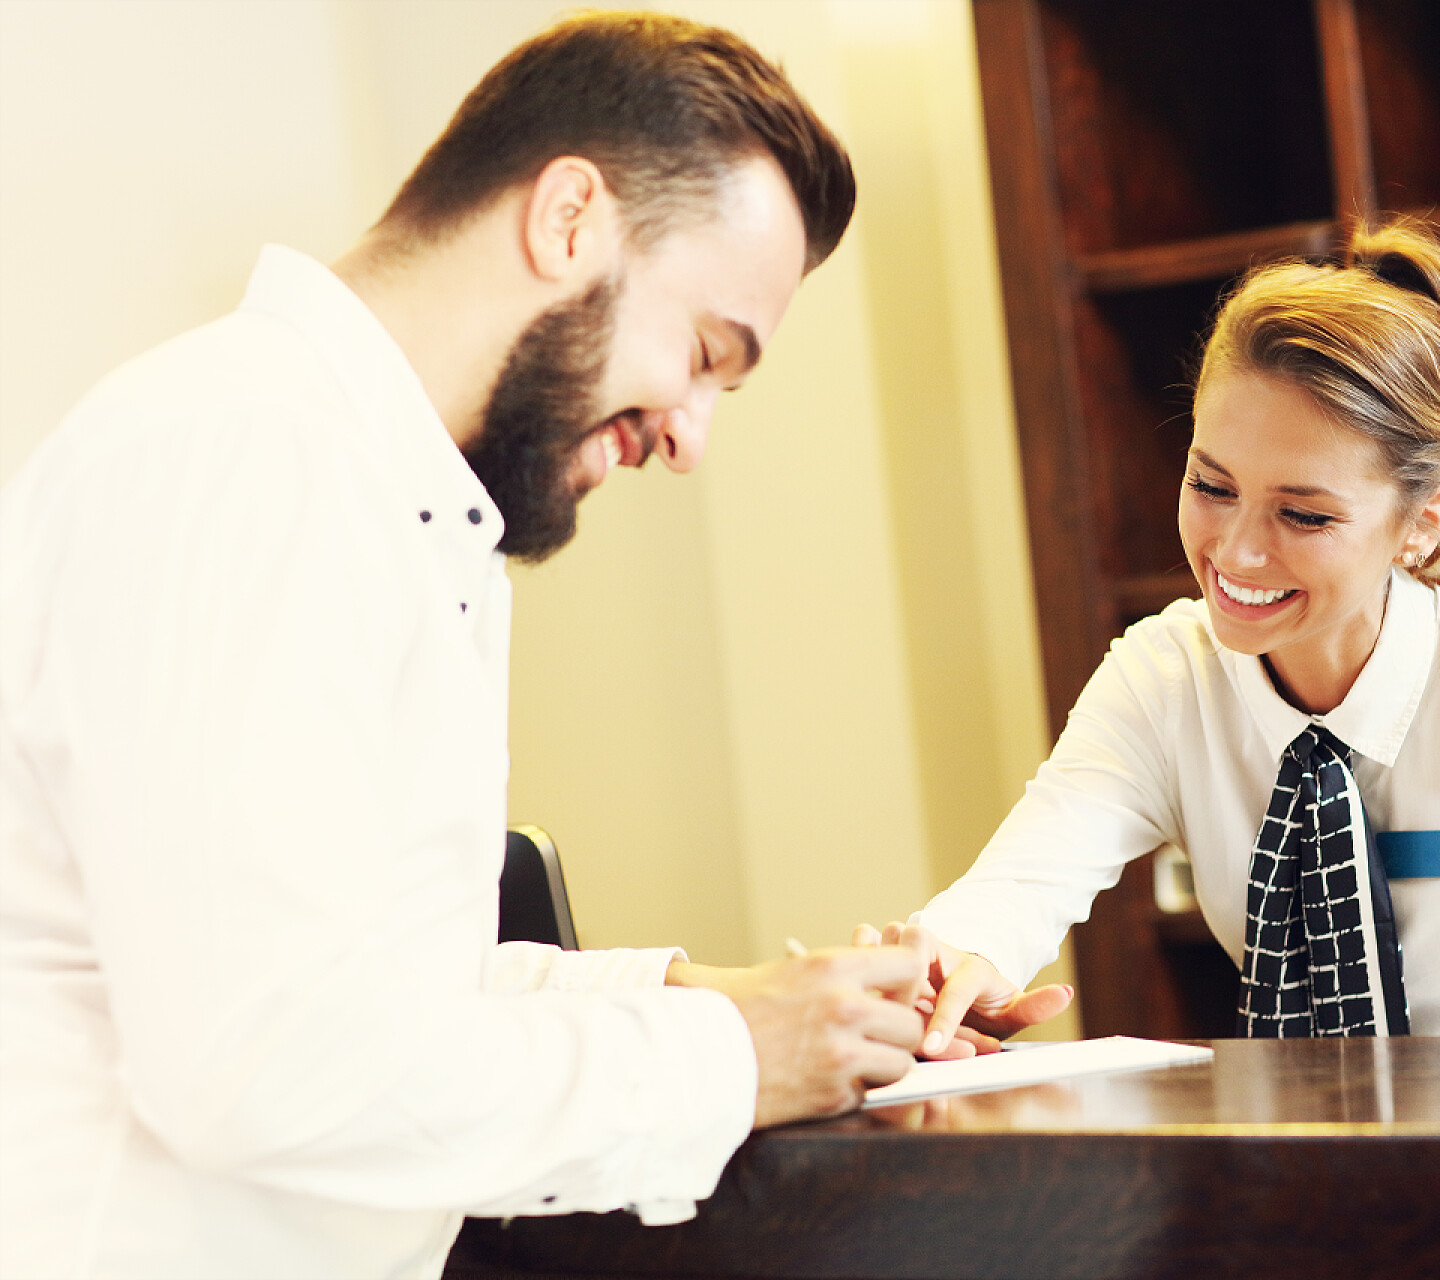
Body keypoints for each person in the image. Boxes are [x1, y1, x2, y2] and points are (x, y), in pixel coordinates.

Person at [0, 12, 934, 1278]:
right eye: (708, 353)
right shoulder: (246, 456)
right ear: (568, 220)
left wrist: (743, 1002)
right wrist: (731, 1056)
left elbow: (386, 998)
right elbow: (263, 1063)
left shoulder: (409, 512)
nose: (692, 436)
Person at [863, 217, 1440, 1056]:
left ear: (1421, 524)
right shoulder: (1163, 680)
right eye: (1212, 487)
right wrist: (943, 970)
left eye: (1302, 513)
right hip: (1300, 1183)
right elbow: (1021, 884)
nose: (1238, 550)